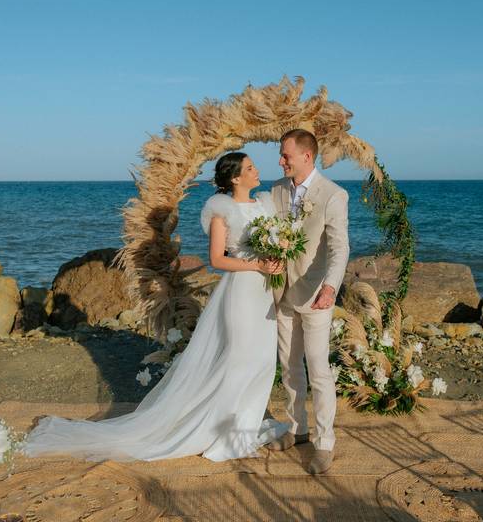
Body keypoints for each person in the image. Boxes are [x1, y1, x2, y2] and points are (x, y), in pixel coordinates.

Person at [25, 152, 287, 462]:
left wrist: (279, 253)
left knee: (262, 359)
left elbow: (277, 242)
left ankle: (246, 424)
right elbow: (217, 260)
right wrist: (257, 263)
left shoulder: (265, 206)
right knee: (240, 359)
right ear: (235, 178)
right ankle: (222, 429)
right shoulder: (223, 212)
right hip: (241, 292)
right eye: (250, 168)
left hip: (264, 291)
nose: (257, 171)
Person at [267, 129, 349, 475]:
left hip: (317, 296)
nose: (281, 160)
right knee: (288, 367)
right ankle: (297, 428)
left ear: (306, 157)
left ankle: (325, 442)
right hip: (283, 293)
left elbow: (339, 247)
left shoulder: (333, 195)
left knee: (319, 370)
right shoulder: (275, 191)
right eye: (281, 155)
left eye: (286, 155)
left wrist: (331, 287)